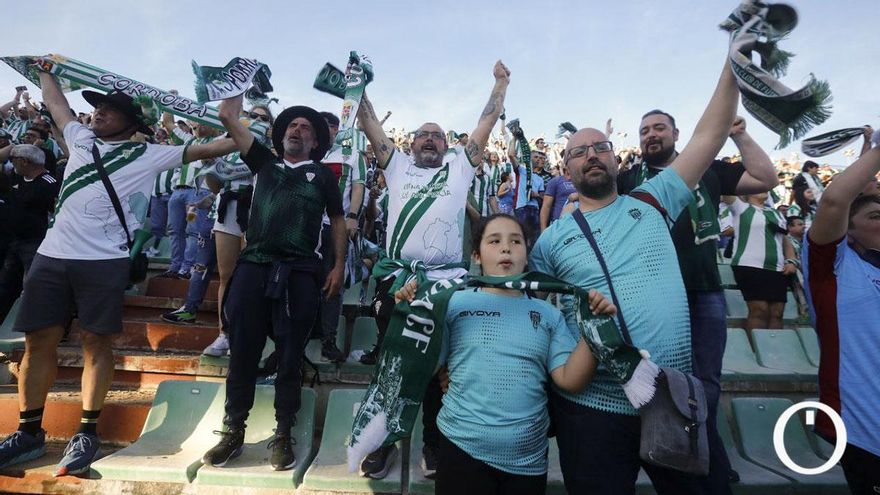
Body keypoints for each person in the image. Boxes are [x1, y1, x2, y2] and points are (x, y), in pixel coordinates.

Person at [0, 69, 237, 475]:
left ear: (133, 123)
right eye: (98, 107)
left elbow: (228, 141)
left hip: (105, 260)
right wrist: (46, 73)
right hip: (52, 255)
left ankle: (87, 431)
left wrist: (233, 101)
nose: (100, 112)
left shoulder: (149, 154)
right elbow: (56, 105)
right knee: (39, 341)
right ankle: (29, 431)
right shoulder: (79, 138)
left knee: (96, 343)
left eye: (111, 109)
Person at [529, 57, 739, 494]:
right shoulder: (549, 242)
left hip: (668, 393)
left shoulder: (653, 199)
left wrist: (732, 67)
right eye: (578, 152)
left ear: (615, 157)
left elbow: (709, 136)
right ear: (566, 170)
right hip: (590, 407)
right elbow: (535, 317)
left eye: (600, 147)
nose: (591, 155)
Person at [354, 60, 510, 479]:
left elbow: (487, 120)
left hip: (448, 285)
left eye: (437, 135)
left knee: (440, 367)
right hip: (400, 278)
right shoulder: (397, 167)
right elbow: (368, 123)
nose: (429, 139)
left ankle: (433, 444)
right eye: (422, 134)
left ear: (447, 145)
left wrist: (500, 83)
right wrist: (357, 87)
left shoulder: (461, 167)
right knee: (393, 365)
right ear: (409, 145)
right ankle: (381, 442)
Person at [617, 111, 777, 493]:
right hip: (651, 295)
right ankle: (684, 461)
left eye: (658, 128)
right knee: (659, 383)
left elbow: (766, 179)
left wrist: (740, 137)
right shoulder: (626, 180)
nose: (650, 135)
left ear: (676, 133)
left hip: (703, 292)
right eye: (643, 131)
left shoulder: (707, 169)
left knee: (705, 385)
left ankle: (707, 460)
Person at [394, 214, 610, 494]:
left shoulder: (548, 315)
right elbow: (425, 367)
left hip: (527, 461)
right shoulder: (454, 304)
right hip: (461, 449)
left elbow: (570, 379)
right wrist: (412, 314)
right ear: (476, 255)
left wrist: (595, 329)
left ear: (527, 254)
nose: (506, 248)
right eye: (494, 241)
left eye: (516, 241)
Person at [201, 94, 344, 471]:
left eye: (306, 128)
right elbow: (227, 117)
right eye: (292, 126)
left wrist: (339, 264)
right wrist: (237, 84)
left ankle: (283, 432)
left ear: (316, 142)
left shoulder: (324, 175)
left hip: (300, 272)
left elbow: (339, 220)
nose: (298, 130)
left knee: (291, 355)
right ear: (280, 137)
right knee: (243, 351)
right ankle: (233, 432)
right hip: (254, 266)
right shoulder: (263, 161)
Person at [802, 145, 880, 494]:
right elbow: (834, 201)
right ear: (847, 233)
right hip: (866, 432)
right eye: (876, 216)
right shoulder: (834, 269)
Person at [200, 104, 272, 355]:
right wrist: (212, 164)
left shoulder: (269, 149)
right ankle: (224, 333)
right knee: (227, 275)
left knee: (253, 277)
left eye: (263, 118)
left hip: (257, 211)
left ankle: (248, 334)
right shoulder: (224, 143)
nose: (257, 120)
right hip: (229, 209)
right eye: (253, 116)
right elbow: (214, 185)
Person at [308, 111, 365, 363]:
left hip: (335, 224)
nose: (328, 130)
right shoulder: (307, 152)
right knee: (303, 280)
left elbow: (358, 186)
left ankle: (328, 339)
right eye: (322, 125)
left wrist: (353, 215)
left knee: (334, 281)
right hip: (305, 226)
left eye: (332, 126)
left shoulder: (352, 154)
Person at [0, 144, 59, 323]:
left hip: (35, 242)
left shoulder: (49, 183)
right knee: (6, 285)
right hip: (15, 241)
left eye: (14, 159)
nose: (12, 163)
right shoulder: (14, 179)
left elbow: (56, 212)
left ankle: (32, 324)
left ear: (24, 161)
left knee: (32, 285)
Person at [724, 193, 797, 332]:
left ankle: (774, 351)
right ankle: (755, 350)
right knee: (759, 311)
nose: (763, 189)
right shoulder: (740, 207)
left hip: (777, 268)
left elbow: (785, 240)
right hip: (749, 265)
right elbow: (727, 189)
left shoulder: (776, 213)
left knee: (777, 313)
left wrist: (791, 261)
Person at [540, 163, 576, 231]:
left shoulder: (582, 181)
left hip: (579, 222)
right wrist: (543, 229)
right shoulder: (555, 181)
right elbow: (546, 206)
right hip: (559, 223)